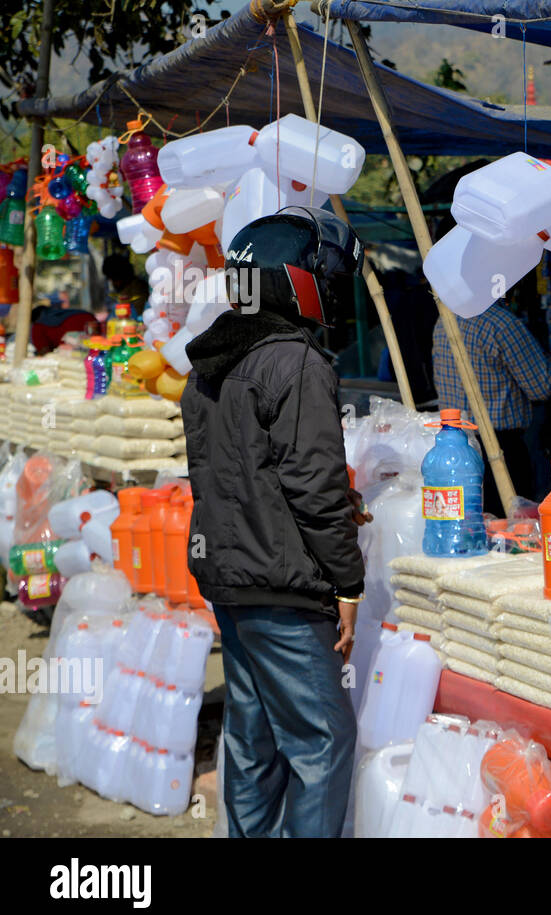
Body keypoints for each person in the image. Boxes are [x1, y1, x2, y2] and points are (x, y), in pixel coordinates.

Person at [182, 206, 372, 838]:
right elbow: (312, 486)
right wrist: (349, 584)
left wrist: (331, 507)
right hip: (283, 587)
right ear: (297, 280)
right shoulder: (295, 361)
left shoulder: (210, 362)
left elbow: (240, 475)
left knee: (253, 738)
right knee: (323, 739)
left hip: (229, 578)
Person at [431, 300, 551, 507]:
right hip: (499, 445)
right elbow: (540, 388)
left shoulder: (445, 320)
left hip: (454, 442)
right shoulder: (501, 324)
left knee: (469, 517)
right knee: (509, 523)